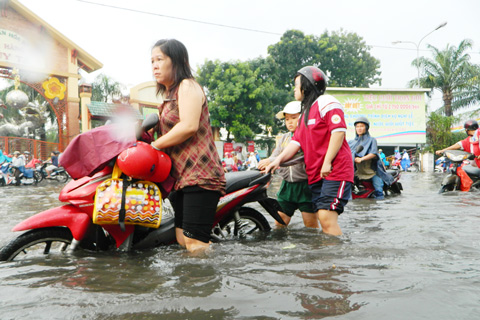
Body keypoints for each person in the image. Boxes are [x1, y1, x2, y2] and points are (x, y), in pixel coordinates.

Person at [150, 39, 226, 253]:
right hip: (179, 178)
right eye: (152, 61)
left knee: (195, 243)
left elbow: (189, 126)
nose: (154, 66)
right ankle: (192, 284)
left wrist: (154, 145)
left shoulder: (188, 86)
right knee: (182, 240)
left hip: (200, 175)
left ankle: (205, 284)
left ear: (178, 61)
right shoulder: (168, 97)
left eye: (160, 59)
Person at [264, 66, 354, 236]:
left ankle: (336, 260)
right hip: (316, 174)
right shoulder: (305, 111)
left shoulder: (327, 102)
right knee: (322, 218)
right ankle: (325, 256)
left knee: (326, 216)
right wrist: (276, 160)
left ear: (305, 86)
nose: (293, 89)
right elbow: (296, 142)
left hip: (335, 170)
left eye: (296, 85)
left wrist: (327, 162)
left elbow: (339, 131)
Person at [258, 101, 318, 228]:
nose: (290, 122)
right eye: (287, 119)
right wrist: (269, 161)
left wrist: (271, 160)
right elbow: (277, 155)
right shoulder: (284, 138)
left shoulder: (308, 136)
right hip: (287, 186)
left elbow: (296, 156)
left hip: (305, 185)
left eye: (294, 118)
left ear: (303, 118)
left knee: (310, 225)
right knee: (279, 223)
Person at [348, 117, 394, 200]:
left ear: (366, 128)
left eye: (361, 126)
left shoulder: (372, 140)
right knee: (346, 187)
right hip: (358, 172)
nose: (359, 128)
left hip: (371, 172)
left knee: (378, 190)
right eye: (357, 126)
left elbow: (373, 153)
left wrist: (361, 159)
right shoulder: (351, 142)